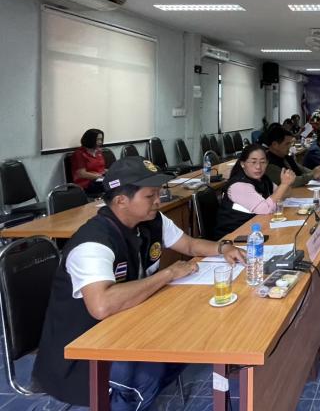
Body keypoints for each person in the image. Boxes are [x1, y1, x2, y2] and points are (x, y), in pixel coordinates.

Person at [33, 156, 247, 409]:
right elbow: (101, 305)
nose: (159, 200)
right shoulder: (93, 243)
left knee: (187, 341)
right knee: (145, 376)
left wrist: (223, 248)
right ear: (121, 200)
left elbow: (189, 245)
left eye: (158, 192)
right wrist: (167, 274)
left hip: (128, 325)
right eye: (150, 195)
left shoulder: (151, 220)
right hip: (81, 353)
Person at [213, 144, 294, 239]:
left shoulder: (263, 179)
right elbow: (265, 209)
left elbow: (284, 194)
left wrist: (286, 184)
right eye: (253, 162)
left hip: (255, 230)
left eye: (263, 162)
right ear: (243, 164)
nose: (258, 167)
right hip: (233, 237)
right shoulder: (239, 186)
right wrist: (283, 185)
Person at [72, 128, 107, 195]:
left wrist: (111, 172)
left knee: (118, 181)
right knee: (111, 184)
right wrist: (101, 177)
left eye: (101, 139)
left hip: (99, 179)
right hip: (87, 183)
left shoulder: (98, 152)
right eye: (97, 139)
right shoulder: (79, 154)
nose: (100, 142)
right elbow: (81, 174)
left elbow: (100, 169)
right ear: (90, 139)